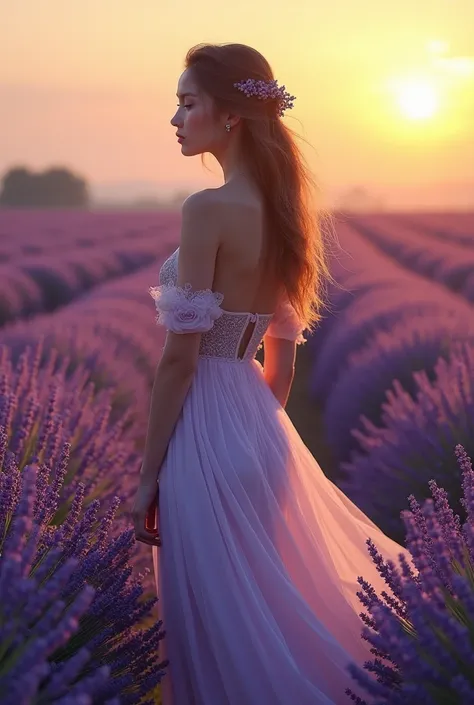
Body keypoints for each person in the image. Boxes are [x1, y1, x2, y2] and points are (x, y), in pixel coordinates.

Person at [131, 42, 411, 705]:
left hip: (203, 424)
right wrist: (256, 430)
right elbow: (281, 356)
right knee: (259, 608)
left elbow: (179, 359)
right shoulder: (287, 211)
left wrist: (147, 474)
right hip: (259, 431)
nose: (175, 119)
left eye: (186, 103)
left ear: (228, 117)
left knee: (215, 626)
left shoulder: (208, 209)